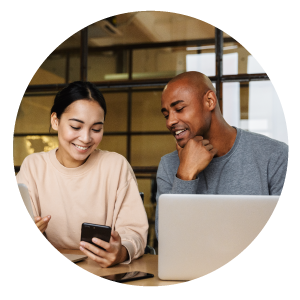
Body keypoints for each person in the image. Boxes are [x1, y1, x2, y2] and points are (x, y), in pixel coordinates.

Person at [16, 81, 149, 267]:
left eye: (96, 129)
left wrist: (121, 252)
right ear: (55, 121)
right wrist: (30, 239)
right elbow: (21, 234)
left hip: (101, 272)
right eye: (76, 127)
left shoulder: (115, 166)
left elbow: (134, 231)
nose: (86, 138)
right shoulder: (34, 166)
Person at [155, 71, 289, 238]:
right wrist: (185, 175)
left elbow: (288, 237)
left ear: (210, 101)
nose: (170, 122)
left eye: (179, 109)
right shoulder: (169, 166)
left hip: (257, 264)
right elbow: (167, 241)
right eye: (166, 115)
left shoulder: (273, 155)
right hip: (196, 265)